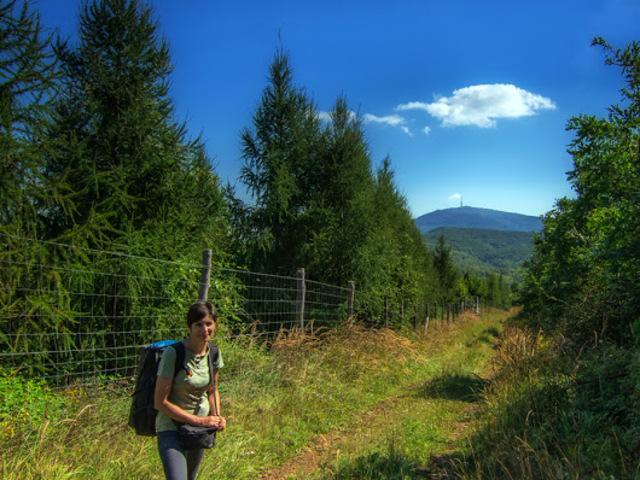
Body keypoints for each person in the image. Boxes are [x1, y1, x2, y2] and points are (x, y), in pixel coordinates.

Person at [154, 300, 226, 480]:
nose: (205, 330)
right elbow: (160, 402)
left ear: (215, 324)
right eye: (198, 325)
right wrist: (199, 421)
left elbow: (212, 389)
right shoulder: (174, 354)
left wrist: (217, 416)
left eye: (209, 323)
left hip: (197, 431)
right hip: (171, 428)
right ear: (190, 327)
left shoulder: (214, 353)